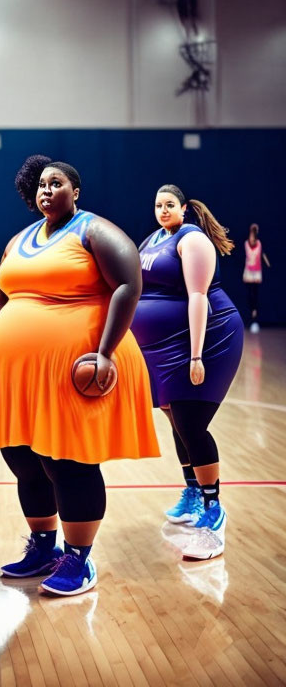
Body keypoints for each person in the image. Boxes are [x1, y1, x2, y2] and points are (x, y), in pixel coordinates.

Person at [0, 155, 159, 596]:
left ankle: (79, 560)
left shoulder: (94, 230)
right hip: (18, 374)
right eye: (40, 184)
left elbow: (128, 285)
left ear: (75, 191)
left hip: (80, 367)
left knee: (69, 461)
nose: (45, 190)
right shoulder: (20, 239)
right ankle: (43, 547)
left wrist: (104, 352)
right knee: (22, 458)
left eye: (55, 183)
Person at [131, 185, 243, 560]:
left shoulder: (192, 240)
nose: (163, 210)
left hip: (207, 338)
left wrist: (196, 357)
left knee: (192, 424)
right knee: (175, 418)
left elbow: (198, 297)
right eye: (157, 204)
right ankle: (193, 492)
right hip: (162, 346)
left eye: (169, 205)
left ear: (183, 208)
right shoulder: (152, 240)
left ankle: (214, 512)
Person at [243, 223, 271, 333]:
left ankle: (255, 317)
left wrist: (267, 262)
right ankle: (251, 315)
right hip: (249, 272)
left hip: (256, 272)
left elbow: (262, 254)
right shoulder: (246, 244)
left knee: (255, 293)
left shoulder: (259, 244)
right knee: (250, 294)